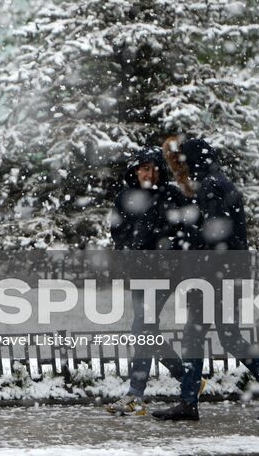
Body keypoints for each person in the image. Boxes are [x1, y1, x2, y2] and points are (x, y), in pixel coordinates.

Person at [151, 137, 259, 423]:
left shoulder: (209, 187)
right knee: (223, 335)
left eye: (184, 159)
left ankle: (190, 401)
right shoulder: (219, 182)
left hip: (214, 276)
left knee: (198, 334)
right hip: (226, 274)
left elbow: (212, 233)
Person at [102, 147, 192, 416]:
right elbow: (117, 232)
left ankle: (135, 394)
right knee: (145, 329)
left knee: (142, 327)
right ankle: (188, 379)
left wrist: (169, 257)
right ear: (134, 171)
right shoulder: (125, 198)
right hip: (138, 274)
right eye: (143, 168)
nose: (148, 173)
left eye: (153, 168)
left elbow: (185, 232)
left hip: (164, 275)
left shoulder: (171, 196)